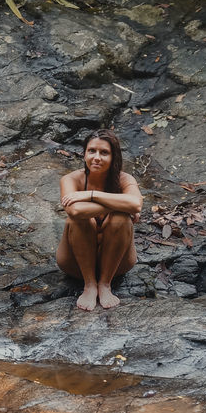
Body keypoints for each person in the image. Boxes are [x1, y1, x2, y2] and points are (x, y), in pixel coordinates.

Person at [56, 130, 142, 310]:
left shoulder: (125, 179)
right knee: (82, 219)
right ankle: (89, 285)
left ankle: (105, 285)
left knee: (120, 218)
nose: (97, 157)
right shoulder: (71, 179)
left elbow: (136, 205)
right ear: (84, 154)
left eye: (104, 152)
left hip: (117, 265)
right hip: (76, 265)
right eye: (91, 151)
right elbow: (76, 210)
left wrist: (91, 195)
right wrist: (120, 204)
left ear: (114, 157)